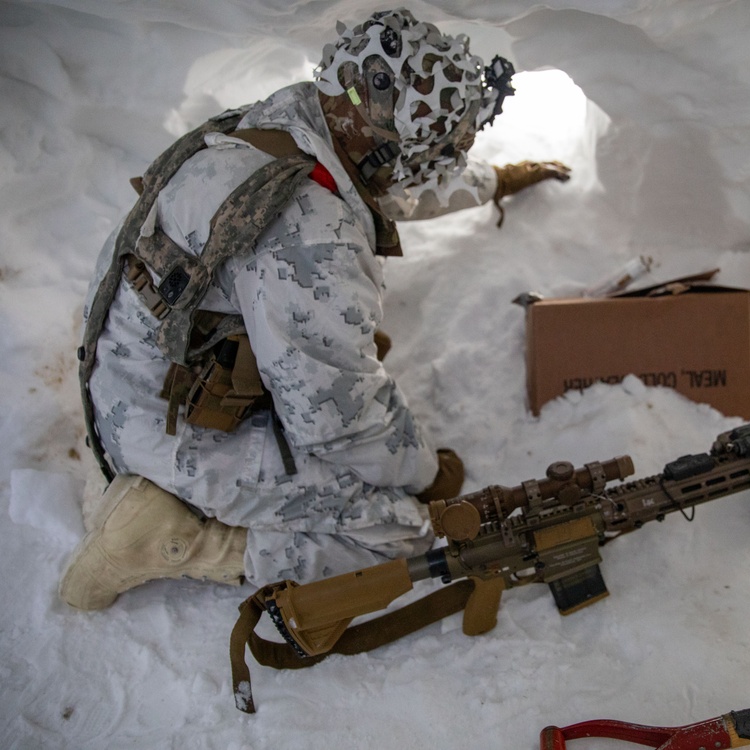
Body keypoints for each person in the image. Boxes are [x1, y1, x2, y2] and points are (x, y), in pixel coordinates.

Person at [59, 8, 569, 610]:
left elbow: (384, 187)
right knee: (404, 533)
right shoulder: (310, 233)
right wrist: (422, 472)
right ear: (384, 144)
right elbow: (336, 419)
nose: (426, 168)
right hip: (158, 432)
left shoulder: (297, 119)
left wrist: (496, 180)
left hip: (134, 369)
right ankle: (173, 539)